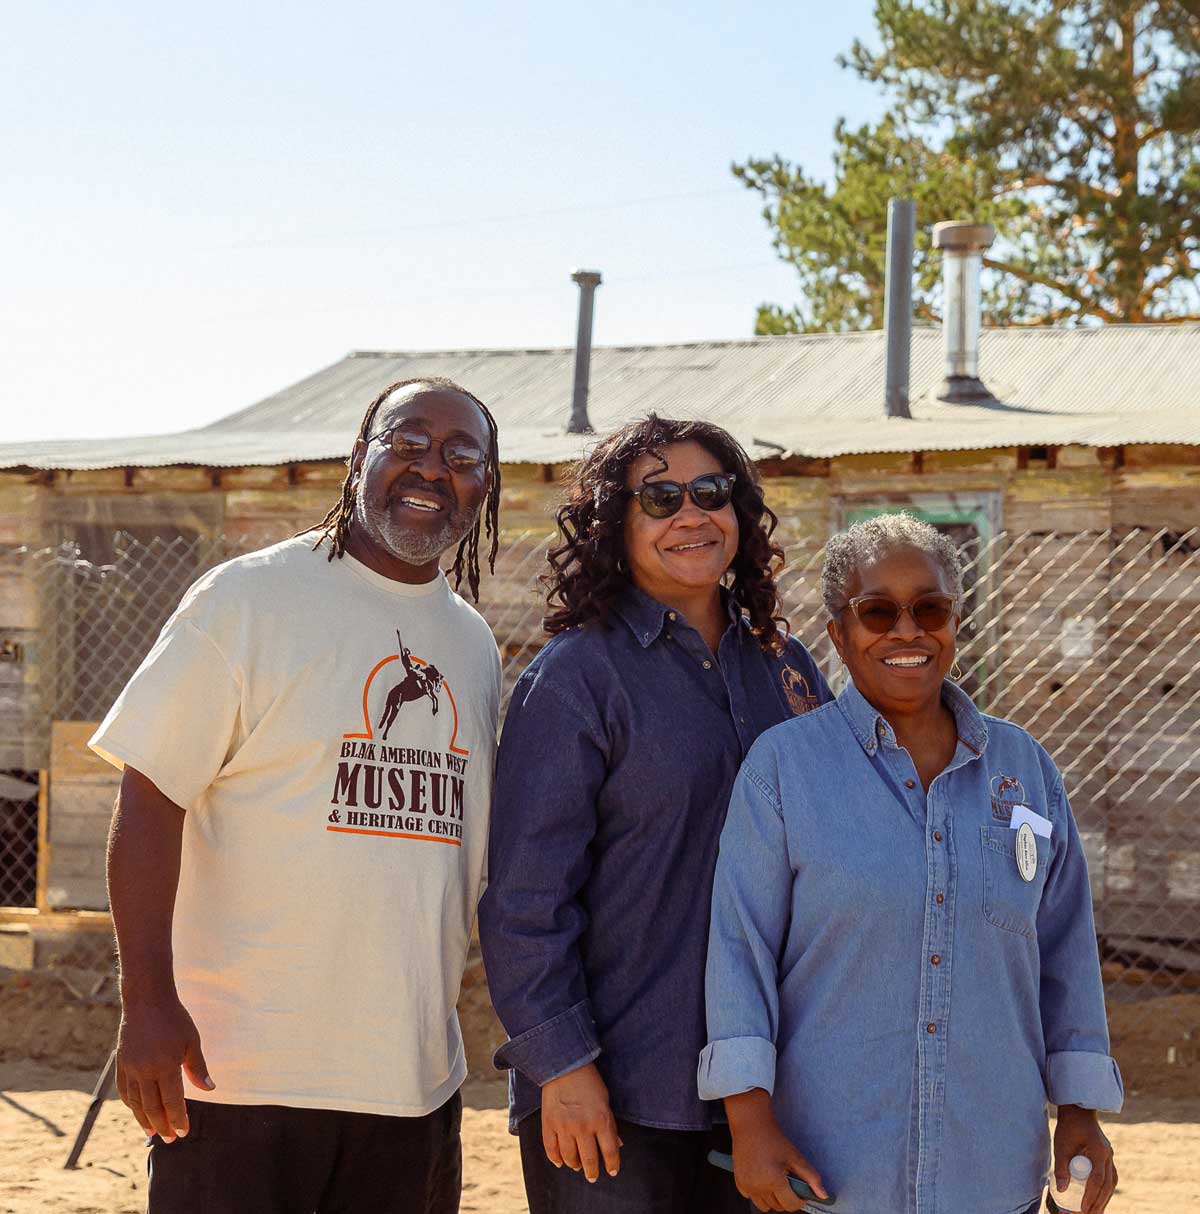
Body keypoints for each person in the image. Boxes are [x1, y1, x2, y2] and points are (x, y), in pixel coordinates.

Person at [93, 377, 503, 1214]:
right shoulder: (248, 600)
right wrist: (147, 1002)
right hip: (241, 1077)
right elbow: (150, 798)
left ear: (484, 488)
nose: (433, 469)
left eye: (462, 457)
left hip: (411, 1083)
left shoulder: (471, 644)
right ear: (360, 458)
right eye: (409, 443)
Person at [700, 512, 1122, 1214]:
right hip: (833, 1174)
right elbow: (739, 951)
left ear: (956, 622)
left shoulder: (1026, 772)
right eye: (877, 612)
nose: (906, 631)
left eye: (930, 608)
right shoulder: (785, 769)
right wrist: (750, 1121)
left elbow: (1066, 953)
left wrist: (1081, 1111)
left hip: (990, 1171)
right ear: (839, 632)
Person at [479, 416, 832, 1214]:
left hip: (767, 1088)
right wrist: (562, 1068)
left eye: (711, 492)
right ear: (616, 525)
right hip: (616, 1091)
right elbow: (524, 902)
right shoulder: (577, 679)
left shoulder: (787, 667)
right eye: (660, 498)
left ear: (740, 513)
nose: (690, 515)